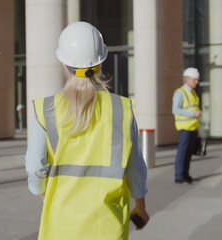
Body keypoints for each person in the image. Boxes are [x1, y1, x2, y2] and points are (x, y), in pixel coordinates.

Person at [25, 22, 149, 240]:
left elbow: (35, 167)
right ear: (100, 62)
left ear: (63, 63)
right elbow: (135, 168)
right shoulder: (121, 109)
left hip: (60, 225)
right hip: (107, 226)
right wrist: (140, 207)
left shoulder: (44, 110)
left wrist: (46, 196)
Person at [172, 67, 201, 184]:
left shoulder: (193, 93)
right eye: (195, 80)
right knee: (182, 153)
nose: (197, 82)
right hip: (184, 128)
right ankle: (179, 176)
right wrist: (192, 113)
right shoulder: (180, 92)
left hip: (193, 126)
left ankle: (186, 174)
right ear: (187, 79)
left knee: (189, 153)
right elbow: (175, 110)